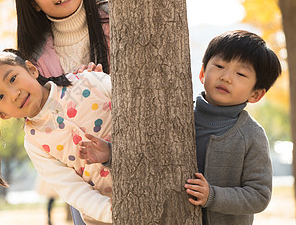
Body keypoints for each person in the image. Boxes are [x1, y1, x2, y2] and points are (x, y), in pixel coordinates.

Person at [79, 30, 282, 225]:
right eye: (219, 66)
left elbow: (259, 195)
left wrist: (212, 195)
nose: (226, 77)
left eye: (240, 74)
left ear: (256, 94)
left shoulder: (251, 135)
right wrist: (110, 154)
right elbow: (149, 158)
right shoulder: (176, 115)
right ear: (202, 73)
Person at [14, 0, 110, 224]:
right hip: (87, 173)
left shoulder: (114, 18)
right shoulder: (36, 59)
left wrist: (99, 82)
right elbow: (47, 118)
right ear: (33, 2)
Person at [0, 50, 112, 225]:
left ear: (31, 69)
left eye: (12, 79)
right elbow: (73, 190)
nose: (14, 94)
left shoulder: (87, 81)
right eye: (1, 97)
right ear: (1, 114)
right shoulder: (35, 143)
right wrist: (114, 212)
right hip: (107, 217)